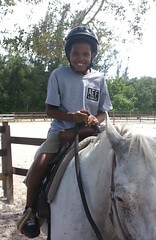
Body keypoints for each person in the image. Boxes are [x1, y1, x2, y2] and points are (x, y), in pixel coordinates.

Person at [17, 26, 113, 238]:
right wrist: (72, 117)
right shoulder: (58, 75)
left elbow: (104, 112)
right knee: (39, 164)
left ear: (93, 55)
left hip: (91, 131)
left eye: (85, 54)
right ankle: (30, 212)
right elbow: (50, 110)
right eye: (75, 53)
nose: (80, 58)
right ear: (68, 54)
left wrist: (92, 119)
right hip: (62, 132)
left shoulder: (99, 79)